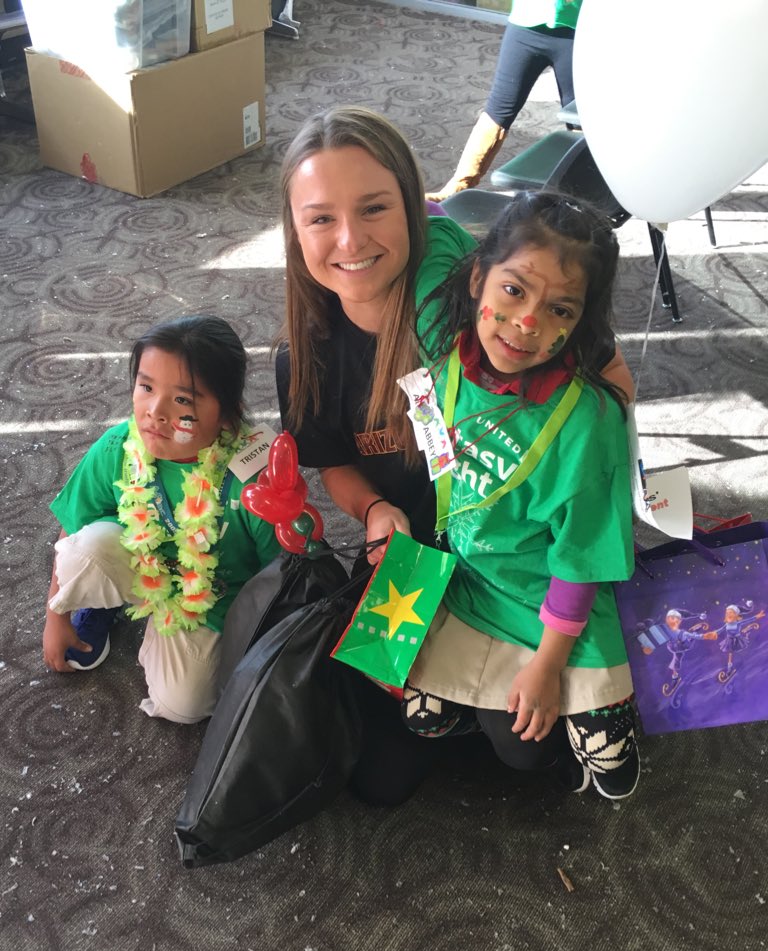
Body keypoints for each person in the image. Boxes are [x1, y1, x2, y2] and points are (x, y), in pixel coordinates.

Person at [275, 106, 633, 802]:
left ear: (415, 208)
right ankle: (458, 701)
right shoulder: (307, 351)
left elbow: (606, 377)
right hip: (413, 556)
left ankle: (508, 697)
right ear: (294, 228)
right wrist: (375, 510)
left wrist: (603, 467)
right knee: (377, 779)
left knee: (527, 755)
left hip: (510, 556)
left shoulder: (472, 301)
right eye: (320, 218)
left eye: (374, 208)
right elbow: (335, 466)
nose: (350, 239)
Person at [399, 191, 639, 800]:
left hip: (546, 599)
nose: (529, 323)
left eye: (560, 310)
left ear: (580, 322)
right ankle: (483, 704)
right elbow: (428, 223)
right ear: (478, 277)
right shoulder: (439, 333)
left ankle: (585, 713)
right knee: (423, 718)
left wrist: (549, 664)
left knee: (601, 767)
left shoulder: (587, 422)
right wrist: (424, 203)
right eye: (513, 290)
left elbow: (581, 559)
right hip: (466, 579)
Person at [43, 315, 280, 725]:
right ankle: (105, 602)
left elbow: (278, 580)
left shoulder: (254, 475)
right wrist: (56, 616)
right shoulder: (119, 446)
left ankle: (163, 630)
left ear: (227, 415)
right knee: (80, 555)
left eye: (183, 401)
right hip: (138, 561)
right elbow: (73, 522)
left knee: (183, 707)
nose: (154, 411)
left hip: (214, 597)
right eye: (146, 387)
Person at [427, 0, 583, 202]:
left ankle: (582, 197)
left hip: (578, 31)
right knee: (497, 109)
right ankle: (458, 186)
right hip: (525, 24)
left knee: (580, 118)